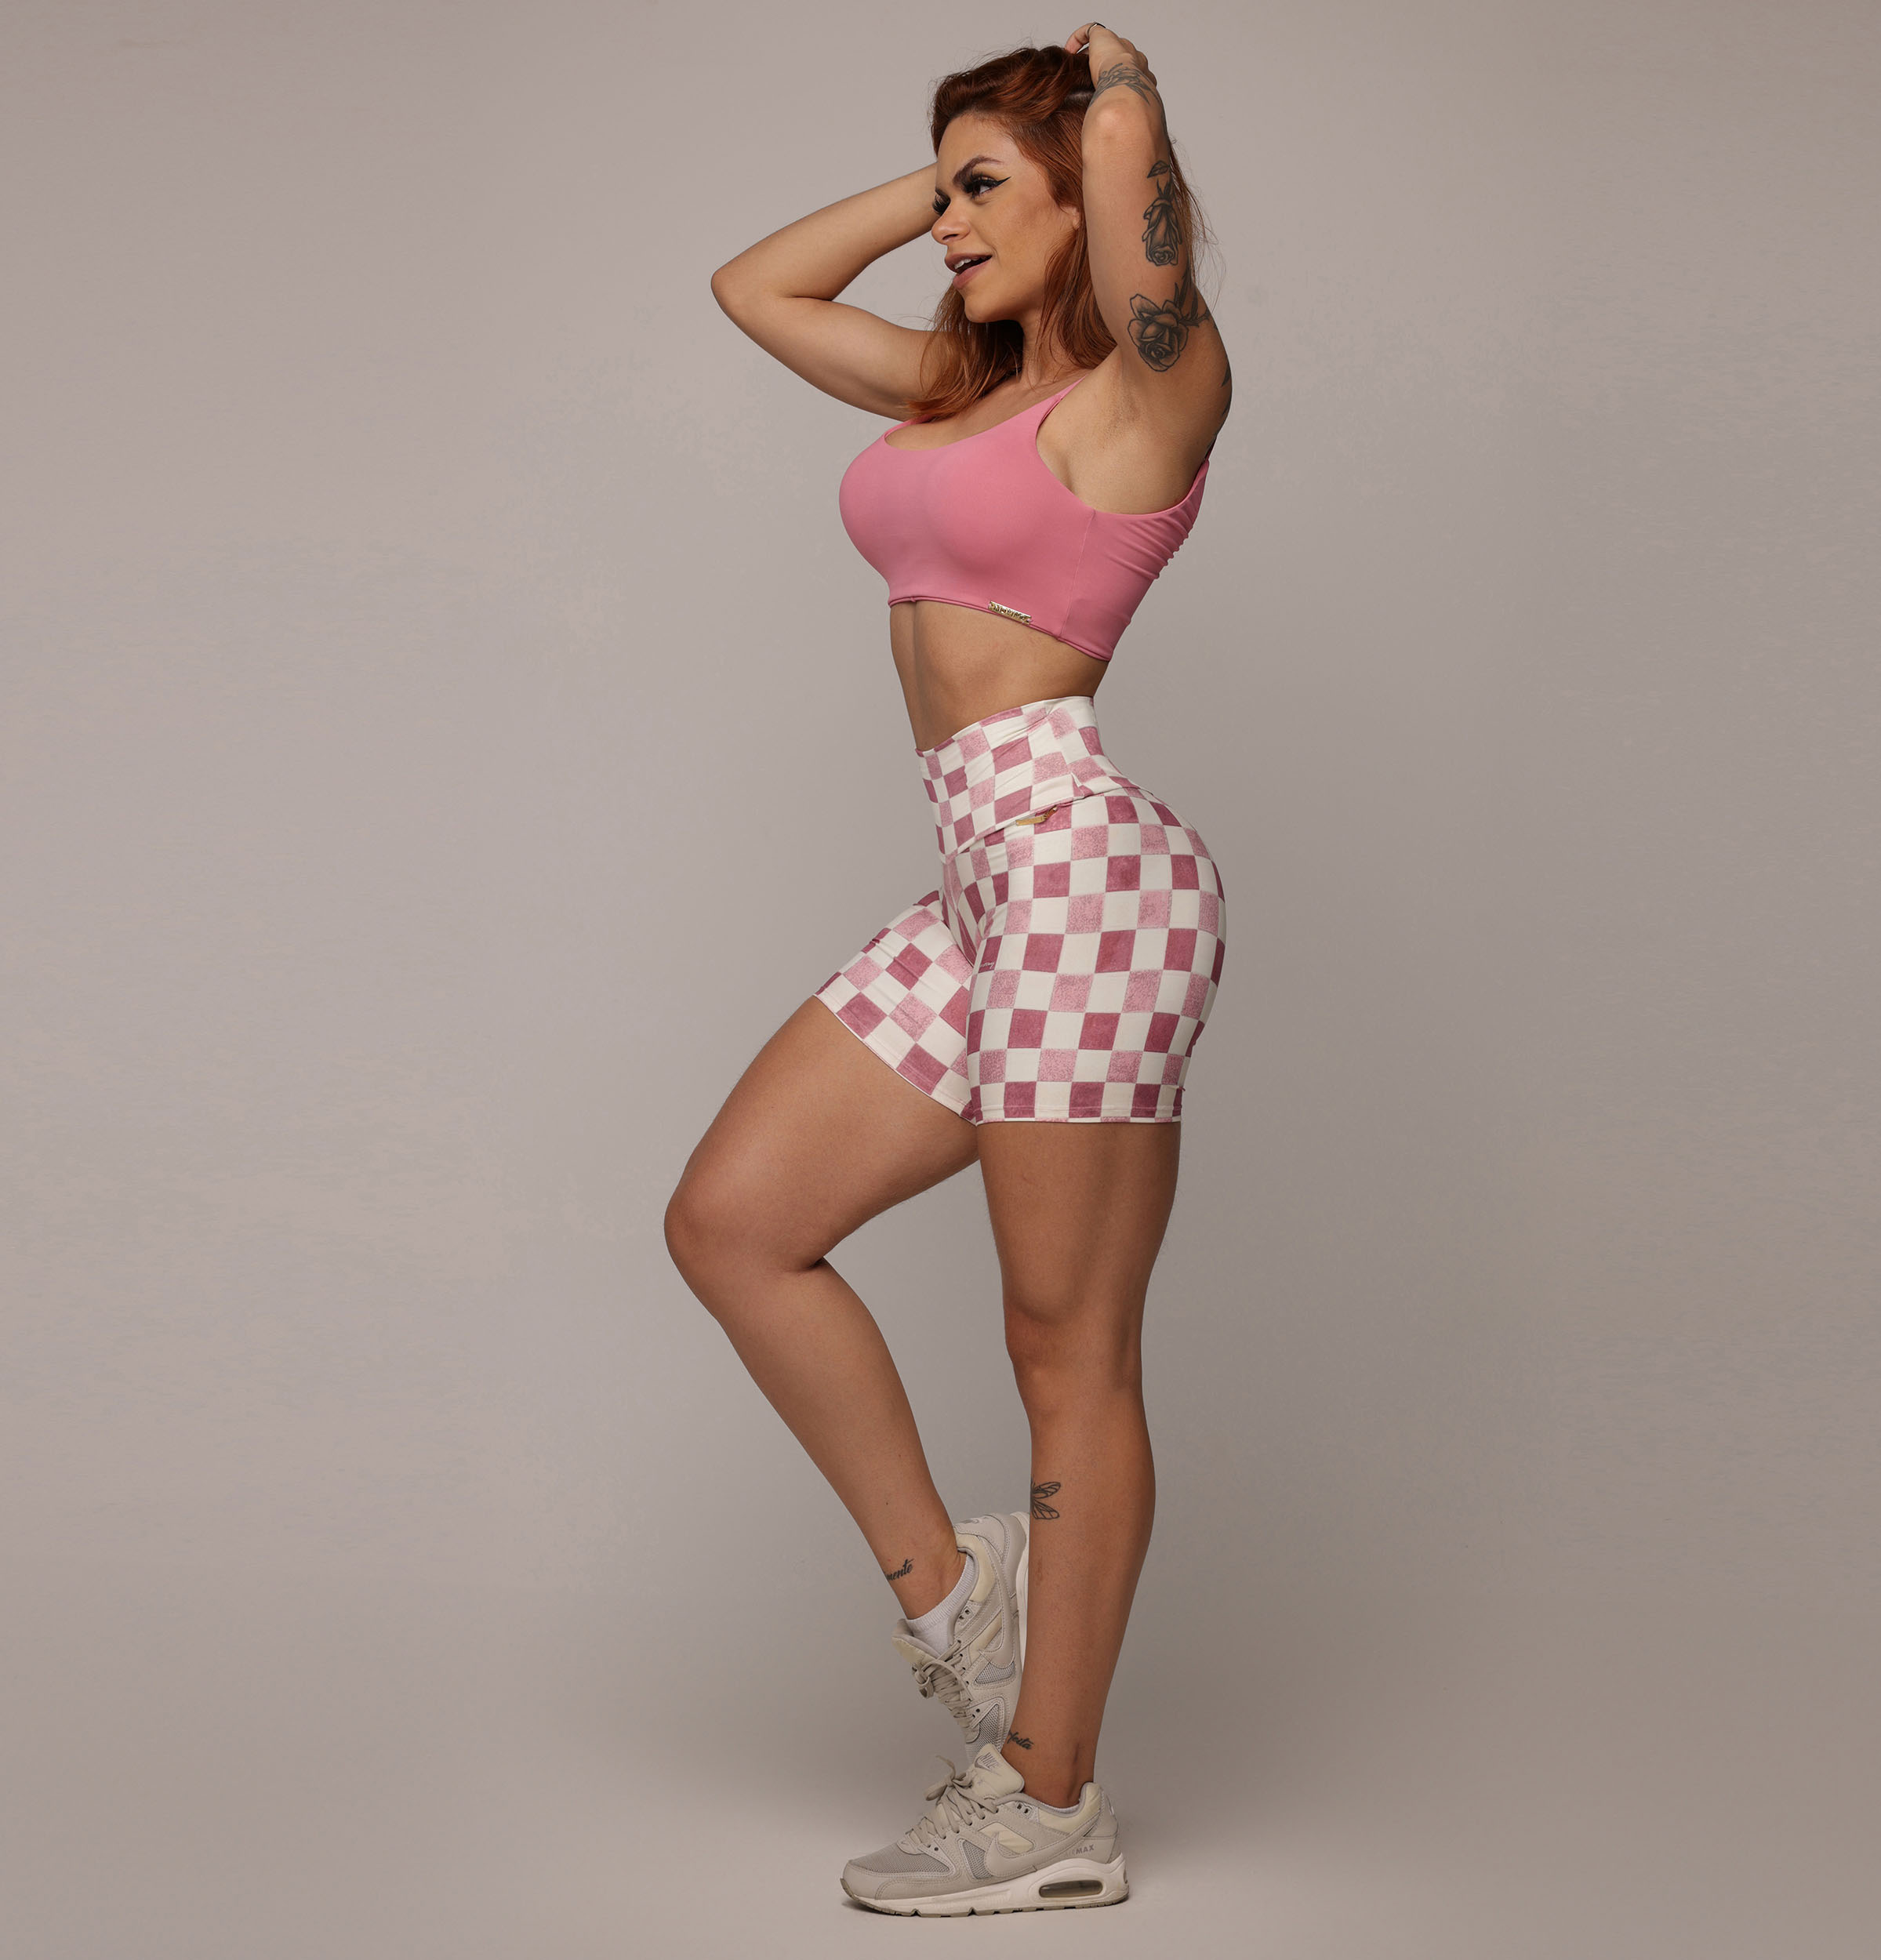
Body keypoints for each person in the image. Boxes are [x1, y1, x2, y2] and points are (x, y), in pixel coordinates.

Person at [666, 21, 1231, 1916]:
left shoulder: (1151, 393)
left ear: (1088, 201)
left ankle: (1049, 1797)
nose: (945, 228)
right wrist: (955, 178)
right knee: (734, 1221)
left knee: (1063, 1344)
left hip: (1082, 865)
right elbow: (754, 287)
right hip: (977, 879)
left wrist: (1111, 88)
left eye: (986, 192)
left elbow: (1138, 232)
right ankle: (960, 1589)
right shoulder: (956, 387)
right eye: (940, 194)